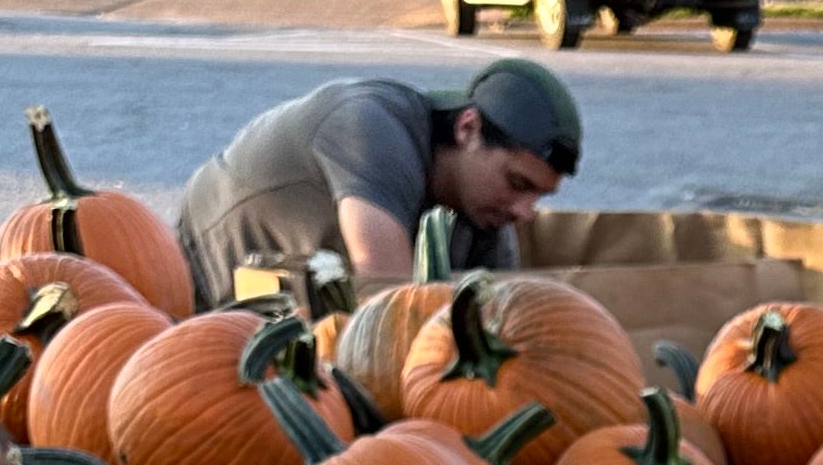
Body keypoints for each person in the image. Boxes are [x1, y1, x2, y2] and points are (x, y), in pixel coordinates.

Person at [171, 55, 582, 308]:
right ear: (468, 129)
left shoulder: (487, 211)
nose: (524, 211)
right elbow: (386, 301)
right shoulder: (371, 130)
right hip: (205, 292)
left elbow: (502, 320)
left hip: (303, 306)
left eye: (539, 196)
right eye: (518, 184)